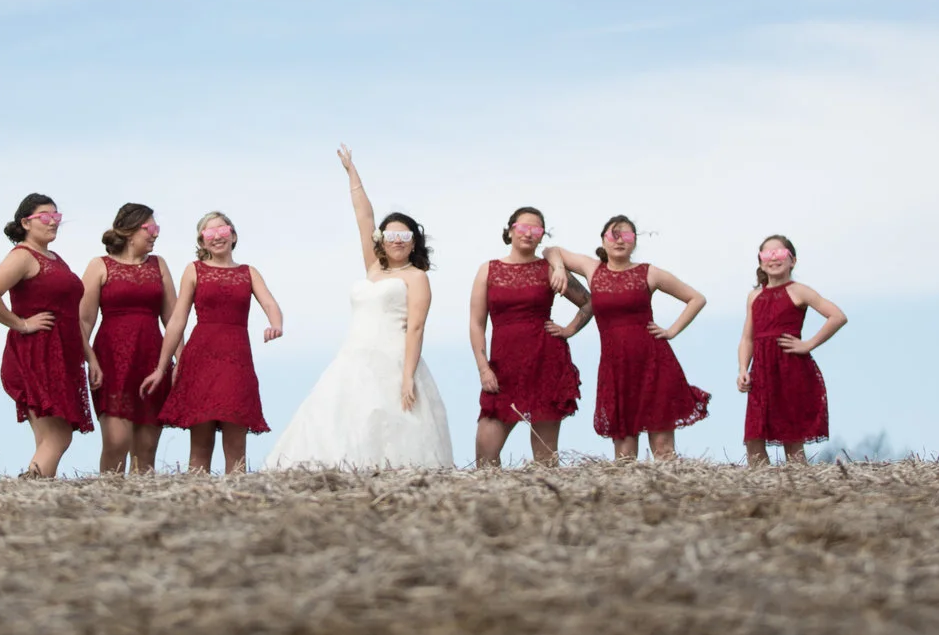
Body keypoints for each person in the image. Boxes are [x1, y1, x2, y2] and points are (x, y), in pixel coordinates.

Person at [262, 148, 454, 471]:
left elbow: (416, 328)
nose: (397, 240)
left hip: (394, 358)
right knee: (334, 417)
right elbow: (363, 216)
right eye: (390, 235)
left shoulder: (416, 277)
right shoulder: (373, 267)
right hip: (353, 356)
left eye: (404, 236)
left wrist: (408, 376)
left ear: (413, 242)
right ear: (381, 239)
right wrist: (351, 172)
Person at [548, 215, 709, 461]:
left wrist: (671, 331)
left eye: (626, 235)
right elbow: (551, 250)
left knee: (664, 450)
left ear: (634, 242)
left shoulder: (649, 273)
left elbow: (696, 299)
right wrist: (560, 271)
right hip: (617, 369)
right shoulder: (592, 269)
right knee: (624, 455)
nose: (620, 240)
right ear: (603, 240)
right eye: (613, 235)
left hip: (654, 364)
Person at [147, 211, 284, 473]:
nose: (217, 237)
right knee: (201, 443)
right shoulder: (194, 270)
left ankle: (237, 496)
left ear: (233, 236)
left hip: (236, 362)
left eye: (222, 230)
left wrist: (275, 325)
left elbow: (270, 303)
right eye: (209, 233)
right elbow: (177, 320)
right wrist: (162, 367)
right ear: (202, 241)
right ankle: (196, 497)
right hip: (201, 360)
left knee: (236, 444)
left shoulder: (248, 272)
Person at [0, 193, 92, 477]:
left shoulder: (55, 258)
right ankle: (31, 489)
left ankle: (37, 493)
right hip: (36, 355)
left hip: (60, 355)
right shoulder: (23, 256)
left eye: (56, 216)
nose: (53, 222)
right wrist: (21, 324)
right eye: (45, 216)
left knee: (48, 437)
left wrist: (90, 358)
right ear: (26, 223)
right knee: (58, 436)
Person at [470, 207, 590, 467]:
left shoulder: (549, 269)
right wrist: (483, 368)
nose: (528, 234)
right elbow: (477, 323)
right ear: (510, 231)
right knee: (485, 453)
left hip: (545, 363)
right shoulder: (488, 270)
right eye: (523, 227)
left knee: (545, 459)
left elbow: (589, 302)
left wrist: (569, 329)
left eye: (536, 230)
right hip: (502, 369)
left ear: (541, 236)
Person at [737, 234, 847, 466]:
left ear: (792, 261)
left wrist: (809, 344)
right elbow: (747, 338)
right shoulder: (754, 296)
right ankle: (763, 485)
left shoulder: (799, 291)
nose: (773, 258)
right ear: (760, 262)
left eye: (779, 253)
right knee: (753, 440)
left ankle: (798, 485)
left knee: (792, 441)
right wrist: (743, 369)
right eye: (767, 254)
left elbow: (837, 316)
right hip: (761, 373)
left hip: (790, 370)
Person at [80, 203, 172, 474]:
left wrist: (181, 360)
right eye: (150, 228)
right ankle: (109, 495)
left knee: (147, 448)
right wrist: (89, 360)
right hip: (111, 361)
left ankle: (142, 500)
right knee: (116, 442)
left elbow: (173, 320)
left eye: (156, 228)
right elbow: (83, 321)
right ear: (130, 231)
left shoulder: (159, 264)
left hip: (152, 359)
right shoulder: (99, 265)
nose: (156, 234)